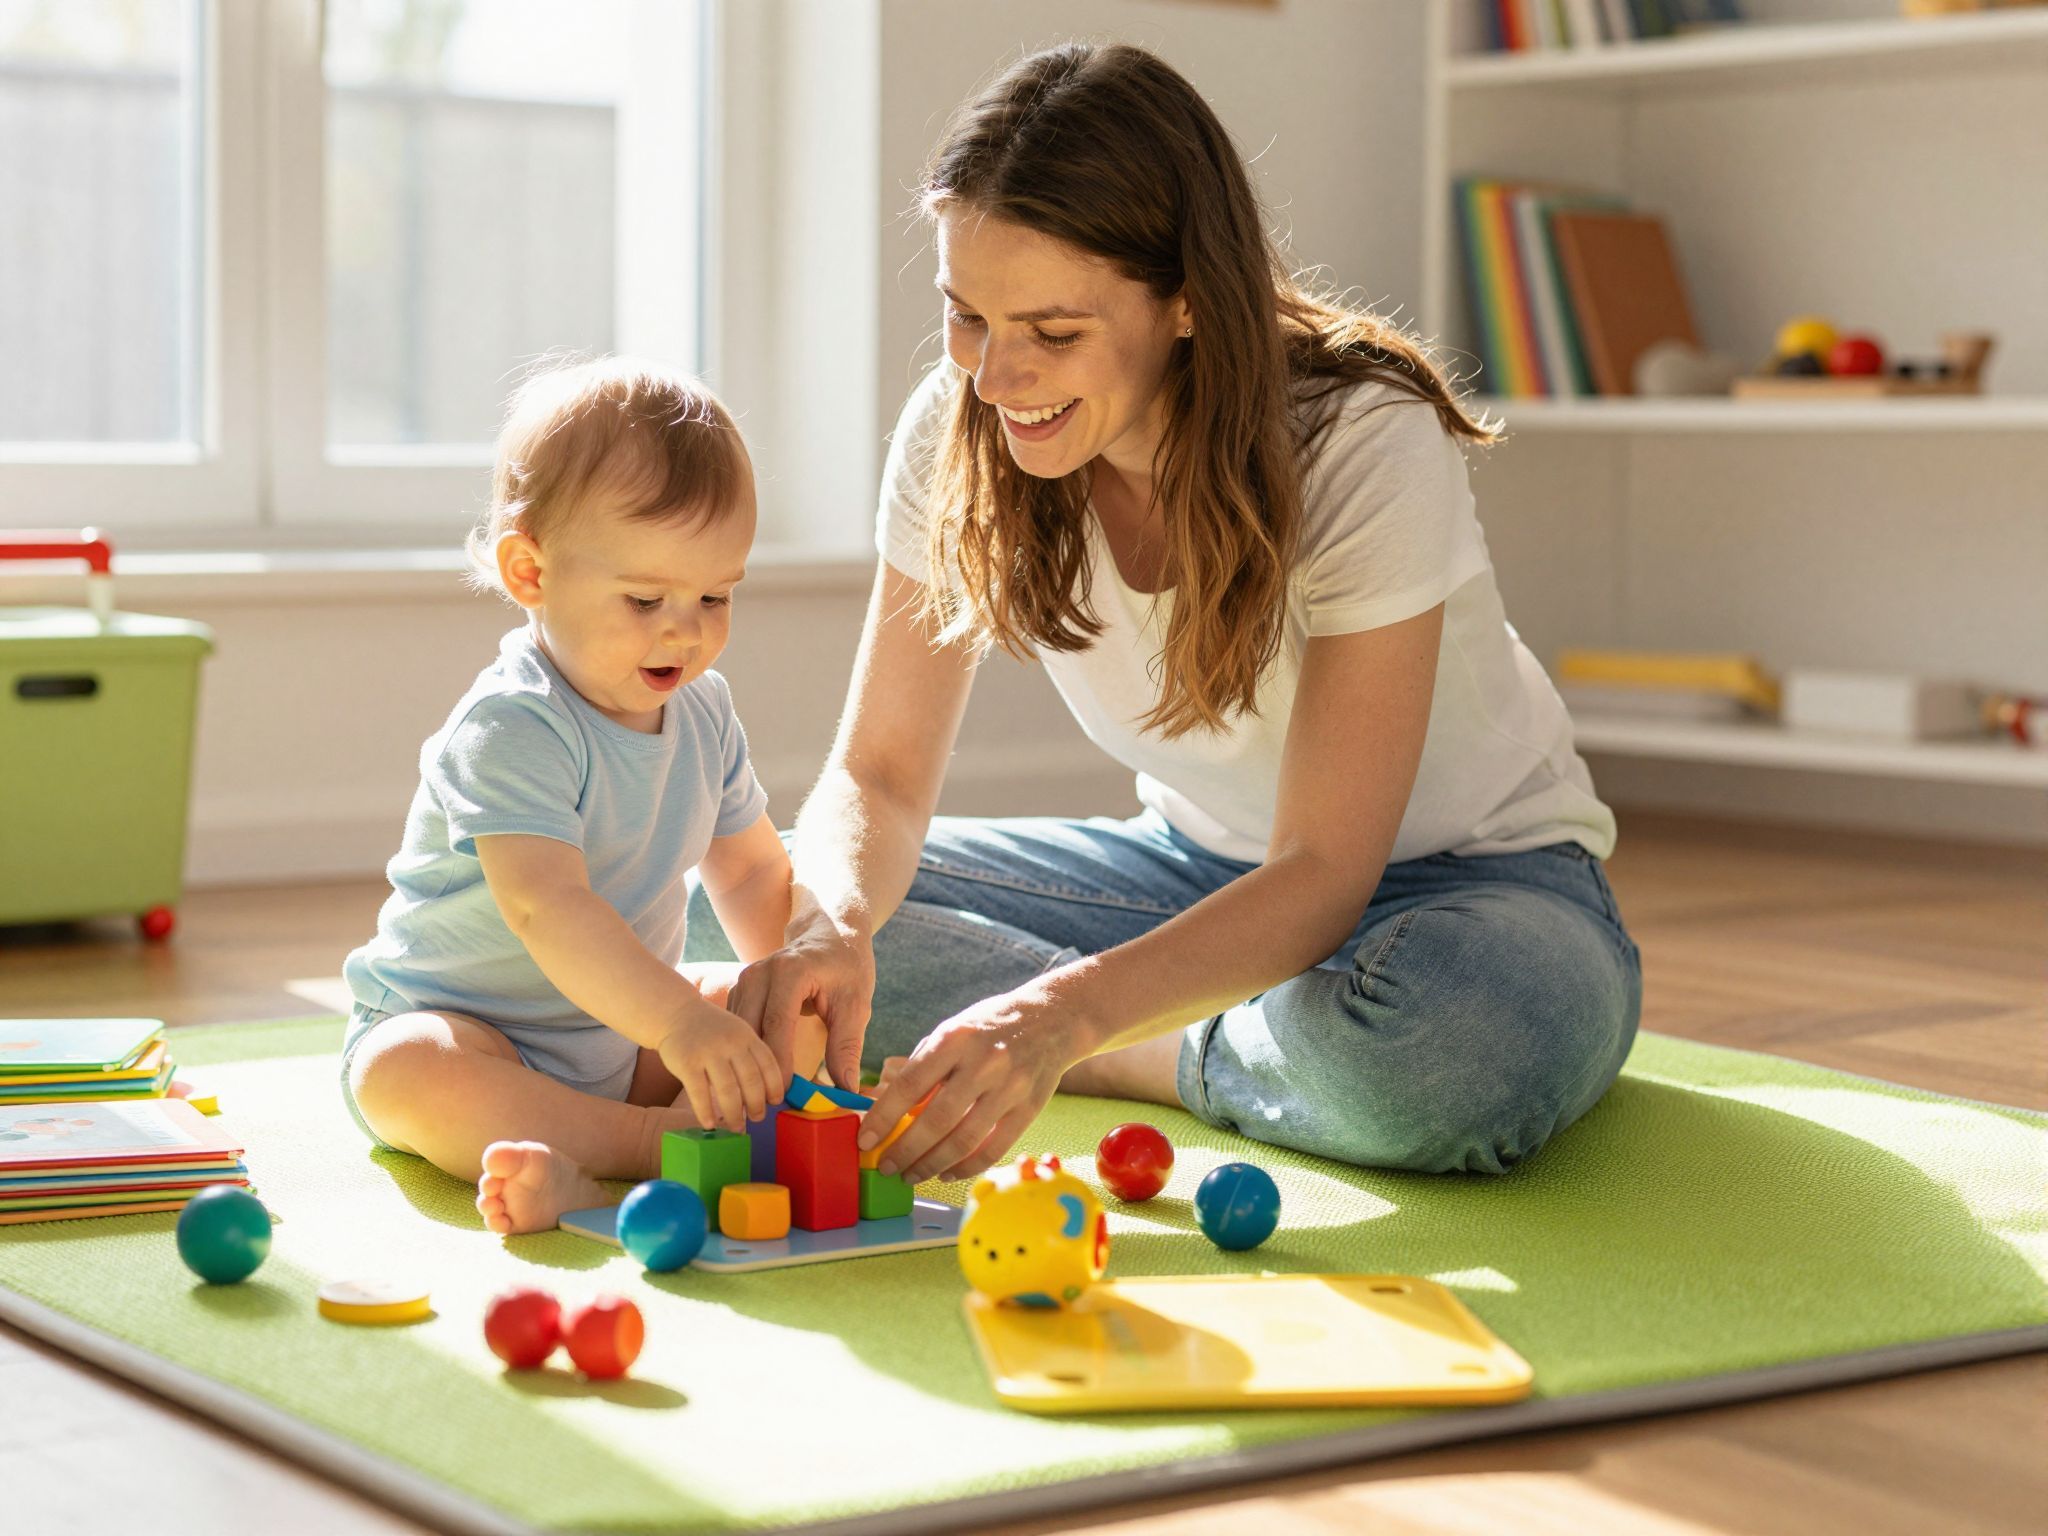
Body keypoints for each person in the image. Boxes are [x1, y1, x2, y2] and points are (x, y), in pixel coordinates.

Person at [688, 41, 1644, 1190]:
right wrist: (829, 927)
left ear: (1187, 299)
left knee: (1436, 1062)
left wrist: (1054, 1019)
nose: (995, 378)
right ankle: (1231, 1036)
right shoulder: (959, 426)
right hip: (1185, 873)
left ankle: (1148, 1051)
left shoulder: (1360, 439)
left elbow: (1323, 864)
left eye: (1052, 332)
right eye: (966, 316)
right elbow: (880, 778)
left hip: (1476, 889)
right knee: (741, 922)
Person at [342, 358, 820, 1235]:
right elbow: (545, 906)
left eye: (715, 595)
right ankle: (638, 1154)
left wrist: (784, 982)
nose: (687, 629)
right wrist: (680, 1026)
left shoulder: (703, 711)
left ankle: (683, 1144)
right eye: (646, 599)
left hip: (626, 1034)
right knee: (404, 1074)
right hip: (475, 1030)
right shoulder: (514, 725)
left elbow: (752, 874)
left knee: (773, 1011)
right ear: (530, 572)